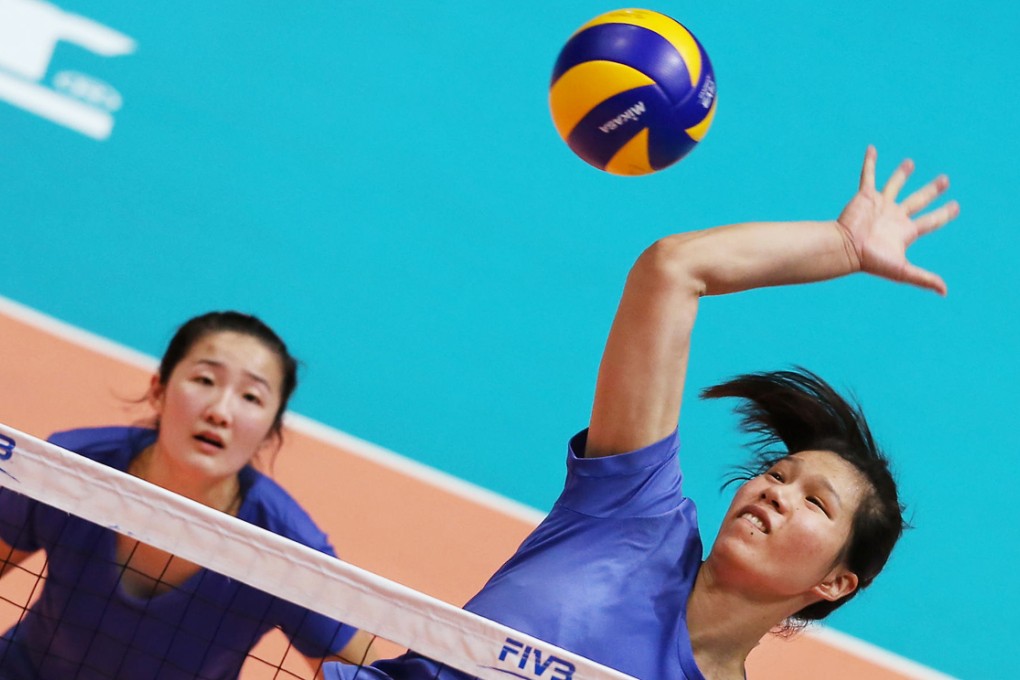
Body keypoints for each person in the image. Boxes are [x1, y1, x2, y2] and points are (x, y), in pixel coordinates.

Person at [322, 146, 959, 680]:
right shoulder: (631, 512)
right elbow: (673, 270)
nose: (775, 493)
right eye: (779, 474)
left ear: (836, 583)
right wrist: (842, 244)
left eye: (816, 504)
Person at [0, 311, 378, 679]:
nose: (220, 412)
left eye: (251, 397)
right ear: (158, 390)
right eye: (205, 380)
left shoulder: (288, 550)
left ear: (269, 431)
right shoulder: (70, 470)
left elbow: (363, 672)